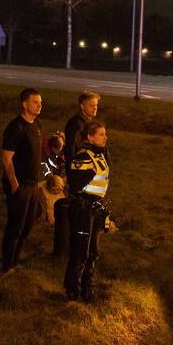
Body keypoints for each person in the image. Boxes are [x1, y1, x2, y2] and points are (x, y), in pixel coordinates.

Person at [64, 121, 112, 303]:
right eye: (101, 134)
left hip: (95, 209)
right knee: (80, 253)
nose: (105, 137)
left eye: (105, 134)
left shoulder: (100, 155)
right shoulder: (83, 157)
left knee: (93, 252)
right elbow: (75, 184)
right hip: (83, 209)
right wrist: (88, 174)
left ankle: (87, 288)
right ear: (90, 137)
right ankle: (72, 292)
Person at [1, 88, 43, 272]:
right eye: (35, 102)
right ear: (24, 104)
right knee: (16, 226)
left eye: (41, 102)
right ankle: (8, 265)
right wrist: (14, 185)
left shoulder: (37, 124)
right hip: (21, 185)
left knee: (27, 225)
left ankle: (15, 261)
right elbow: (6, 158)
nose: (40, 105)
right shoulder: (15, 127)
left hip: (33, 184)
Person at [64, 90, 101, 164]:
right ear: (82, 106)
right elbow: (71, 149)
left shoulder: (89, 123)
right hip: (80, 167)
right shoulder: (75, 124)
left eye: (96, 105)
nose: (95, 108)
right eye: (91, 105)